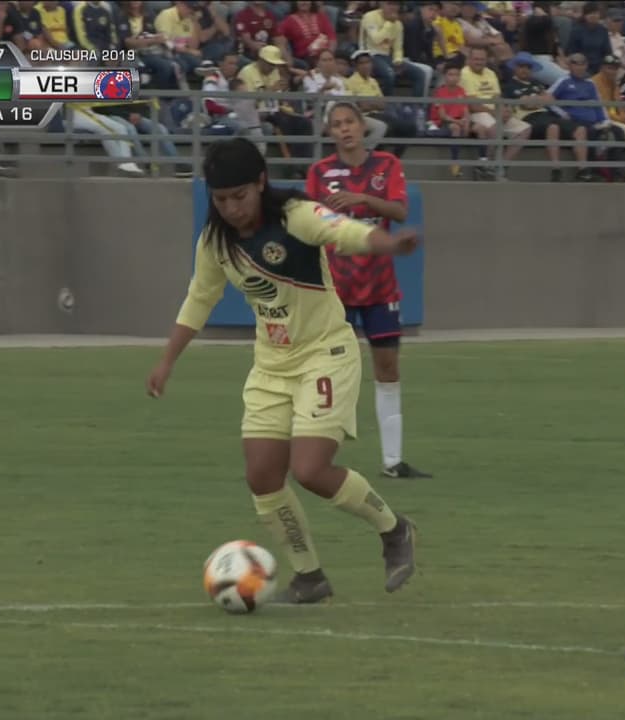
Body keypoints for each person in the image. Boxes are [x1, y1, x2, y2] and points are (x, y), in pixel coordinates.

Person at [147, 138, 420, 604]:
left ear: (261, 182)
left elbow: (344, 232)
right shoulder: (216, 242)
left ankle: (395, 531)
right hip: (271, 367)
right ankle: (308, 575)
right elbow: (200, 297)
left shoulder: (295, 216)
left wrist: (388, 243)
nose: (231, 208)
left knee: (310, 469)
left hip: (325, 355)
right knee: (262, 477)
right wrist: (167, 360)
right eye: (220, 199)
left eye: (240, 196)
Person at [306, 102, 432, 480]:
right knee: (329, 372)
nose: (344, 130)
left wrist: (364, 200)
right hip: (336, 288)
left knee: (388, 368)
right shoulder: (320, 173)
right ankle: (314, 455)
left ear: (363, 128)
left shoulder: (387, 166)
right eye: (337, 125)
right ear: (330, 133)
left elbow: (398, 211)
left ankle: (392, 461)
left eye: (350, 123)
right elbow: (308, 223)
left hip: (379, 285)